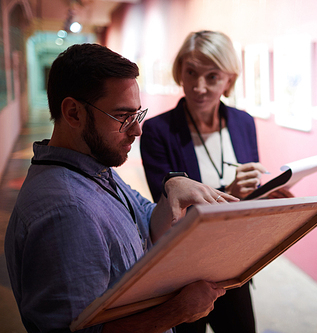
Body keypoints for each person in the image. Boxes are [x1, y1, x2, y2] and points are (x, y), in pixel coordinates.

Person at [4, 43, 239, 333]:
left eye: (137, 114)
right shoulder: (67, 211)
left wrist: (173, 187)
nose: (137, 130)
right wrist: (177, 311)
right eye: (123, 116)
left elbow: (145, 224)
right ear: (74, 113)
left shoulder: (93, 168)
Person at [140, 30, 292, 333]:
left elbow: (247, 198)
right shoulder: (158, 131)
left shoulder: (243, 122)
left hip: (234, 262)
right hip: (182, 272)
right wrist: (229, 193)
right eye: (191, 73)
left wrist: (265, 197)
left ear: (229, 81)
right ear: (179, 71)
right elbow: (168, 215)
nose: (199, 87)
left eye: (212, 77)